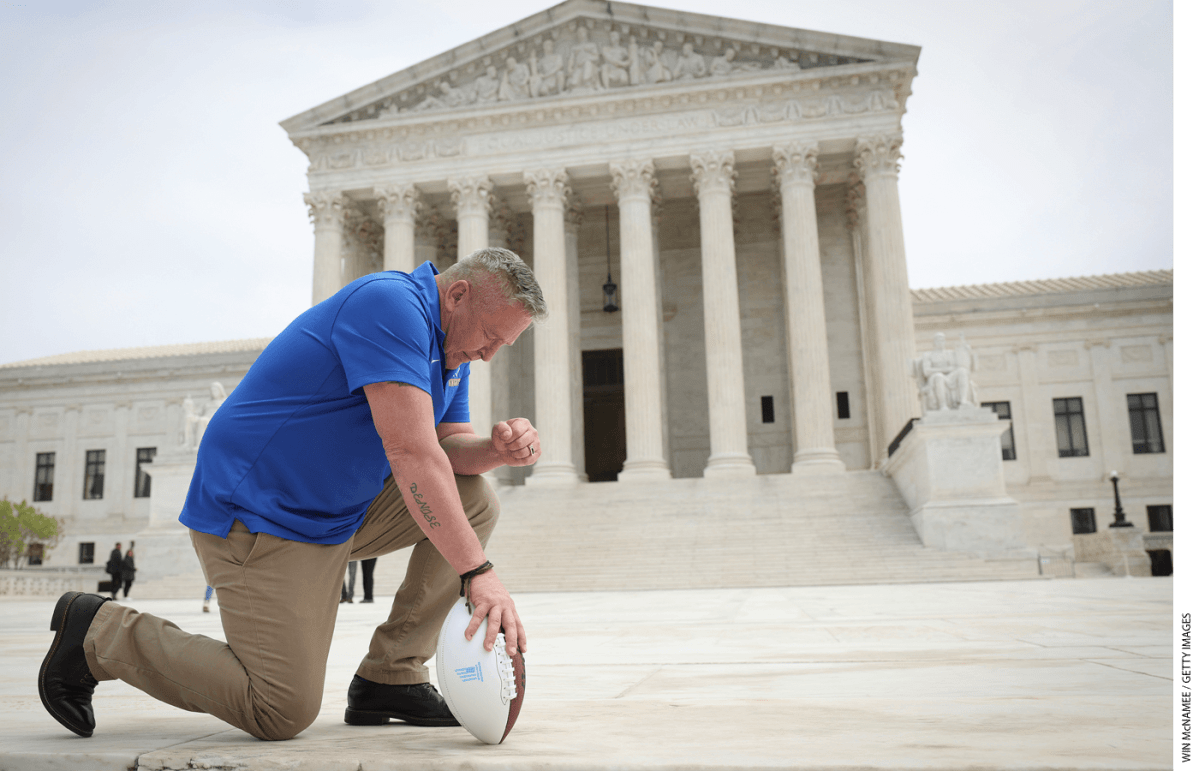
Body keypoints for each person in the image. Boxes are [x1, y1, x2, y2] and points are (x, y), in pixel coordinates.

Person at [38, 248, 543, 741]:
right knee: (280, 708)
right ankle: (99, 632)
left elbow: (448, 448)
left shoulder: (451, 347)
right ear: (456, 295)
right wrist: (478, 573)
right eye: (490, 337)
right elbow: (412, 452)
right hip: (259, 515)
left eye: (504, 345)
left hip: (334, 513)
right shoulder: (391, 306)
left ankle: (392, 676)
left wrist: (496, 451)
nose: (489, 353)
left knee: (475, 498)